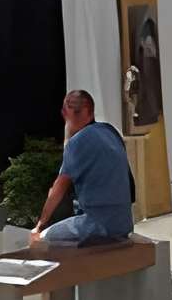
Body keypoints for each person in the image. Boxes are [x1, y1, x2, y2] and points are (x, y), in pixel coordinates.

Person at [28, 89, 134, 247]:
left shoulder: (76, 142)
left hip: (97, 225)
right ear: (91, 112)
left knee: (44, 239)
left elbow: (58, 189)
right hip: (124, 223)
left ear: (64, 114)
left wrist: (40, 225)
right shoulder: (111, 132)